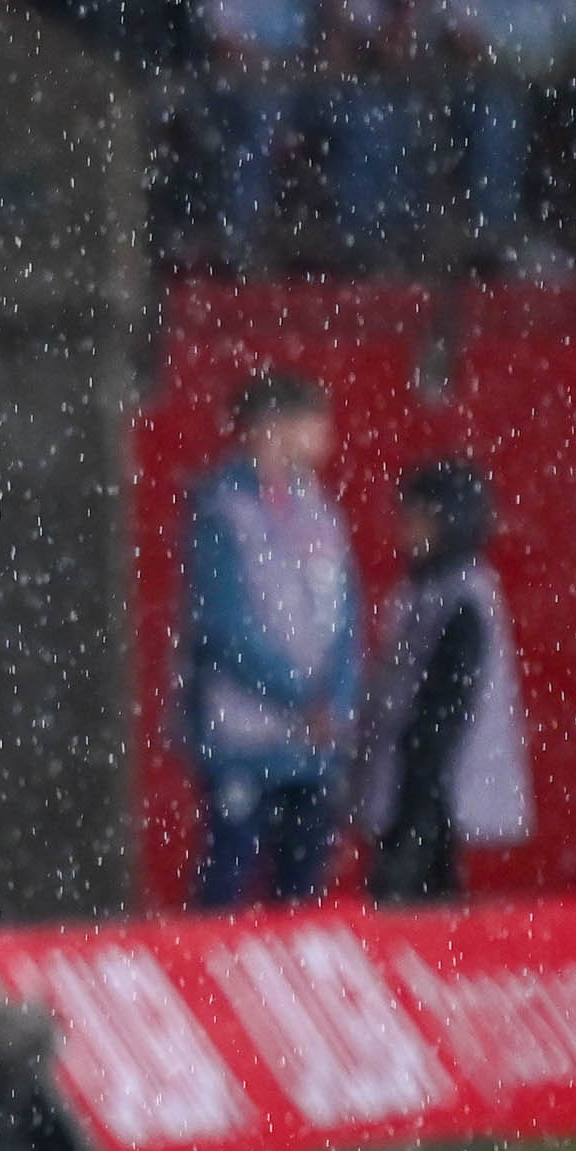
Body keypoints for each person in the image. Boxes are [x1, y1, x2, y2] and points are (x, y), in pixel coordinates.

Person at [181, 372, 357, 909]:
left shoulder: (321, 508)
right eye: (313, 422)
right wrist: (300, 698)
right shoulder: (222, 511)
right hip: (244, 736)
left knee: (303, 885)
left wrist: (337, 700)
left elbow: (347, 615)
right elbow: (223, 623)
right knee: (230, 877)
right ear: (270, 428)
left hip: (312, 744)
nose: (326, 436)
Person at [359, 459, 528, 904]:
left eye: (417, 518)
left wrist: (418, 807)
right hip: (422, 792)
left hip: (434, 798)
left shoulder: (460, 600)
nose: (403, 530)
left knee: (423, 906)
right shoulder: (429, 592)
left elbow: (443, 711)